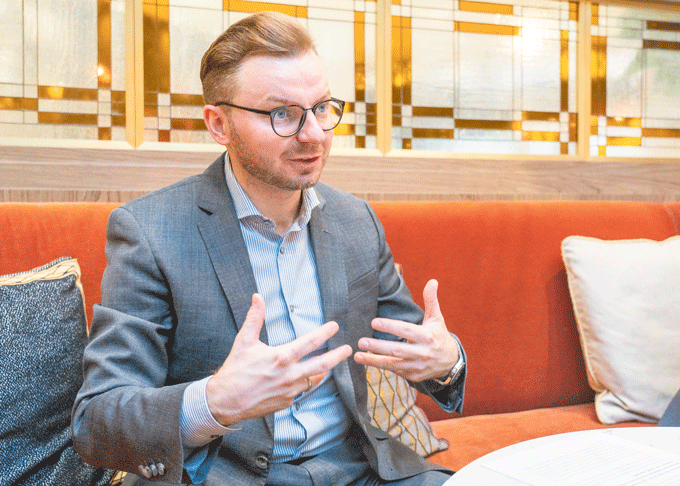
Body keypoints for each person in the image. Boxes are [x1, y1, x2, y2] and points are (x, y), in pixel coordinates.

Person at [72, 11, 466, 486]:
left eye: (321, 108)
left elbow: (412, 345)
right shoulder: (151, 232)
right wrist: (215, 402)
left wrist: (447, 362)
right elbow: (97, 420)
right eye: (283, 114)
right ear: (219, 124)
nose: (314, 134)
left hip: (358, 470)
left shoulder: (355, 220)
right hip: (225, 477)